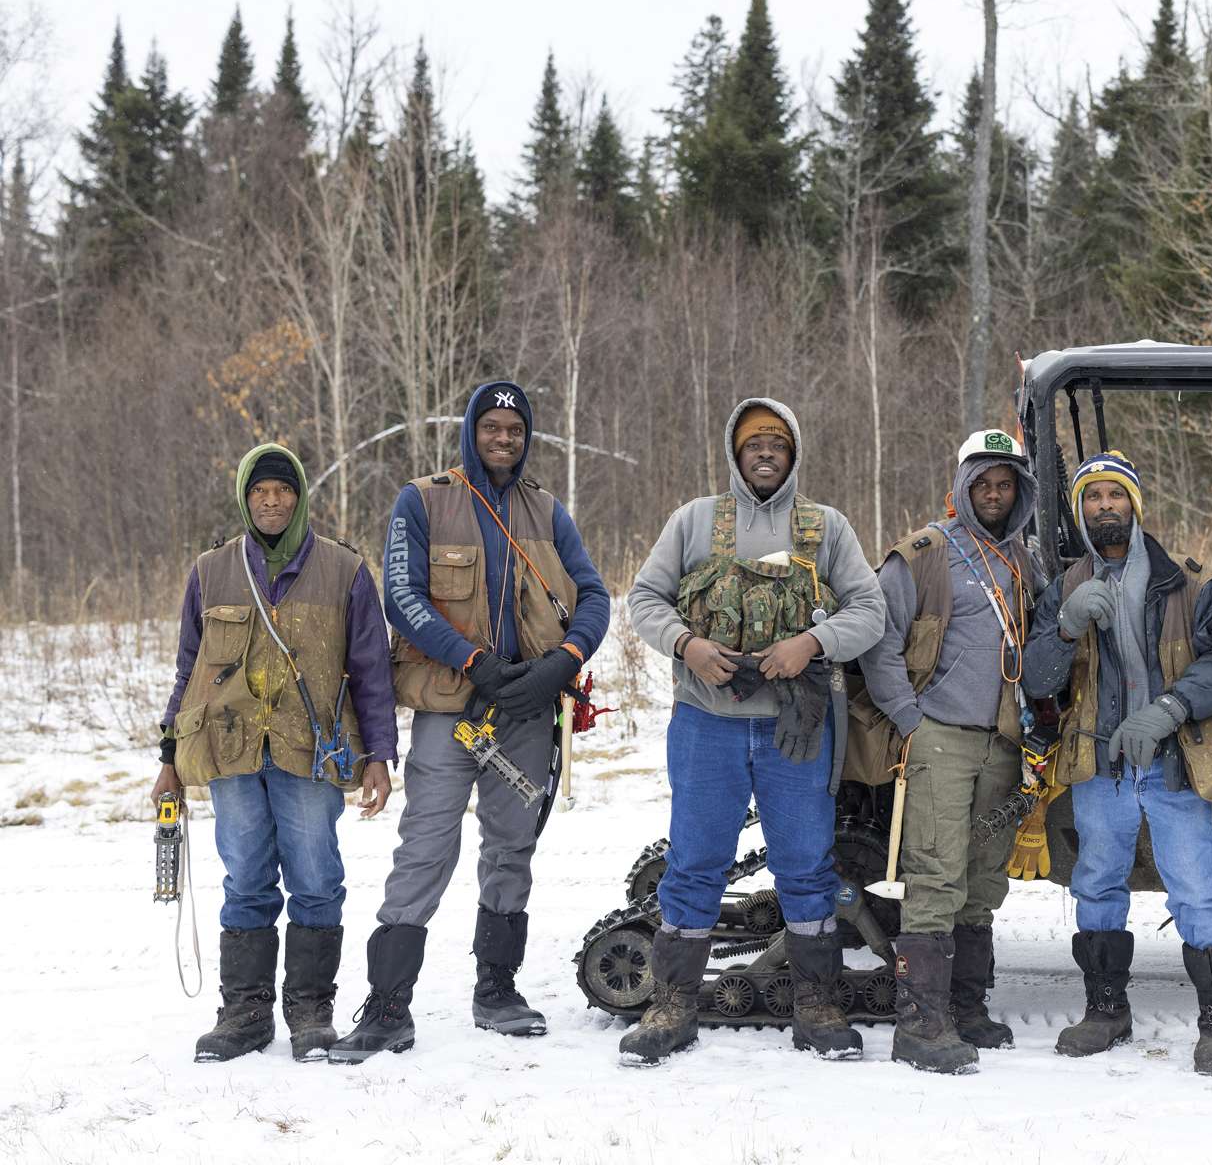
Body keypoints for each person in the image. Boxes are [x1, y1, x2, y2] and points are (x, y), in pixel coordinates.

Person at [329, 381, 611, 1063]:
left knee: (512, 848)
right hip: (449, 709)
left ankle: (498, 991)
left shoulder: (547, 509)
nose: (504, 438)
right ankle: (389, 1008)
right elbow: (401, 596)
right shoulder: (421, 500)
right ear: (471, 432)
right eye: (492, 427)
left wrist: (561, 663)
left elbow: (596, 594)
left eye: (515, 429)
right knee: (426, 847)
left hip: (526, 709)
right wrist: (473, 660)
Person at [622, 398, 886, 1066]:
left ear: (793, 454)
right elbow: (644, 598)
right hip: (705, 725)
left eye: (776, 442)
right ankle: (673, 1004)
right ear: (736, 454)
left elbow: (870, 611)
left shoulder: (825, 527)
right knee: (693, 863)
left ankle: (817, 1003)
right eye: (752, 443)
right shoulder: (695, 521)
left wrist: (813, 643)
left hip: (794, 726)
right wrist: (687, 645)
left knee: (806, 864)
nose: (764, 451)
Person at [155, 443, 397, 1063]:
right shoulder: (211, 570)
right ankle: (244, 1013)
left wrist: (378, 755)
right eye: (260, 490)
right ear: (244, 496)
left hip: (312, 751)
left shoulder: (344, 570)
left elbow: (371, 667)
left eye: (283, 490)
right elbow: (189, 668)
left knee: (316, 879)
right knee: (246, 880)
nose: (272, 500)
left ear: (300, 497)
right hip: (231, 752)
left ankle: (311, 1010)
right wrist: (168, 761)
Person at [1022, 450, 1212, 1075]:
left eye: (1115, 496)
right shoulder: (1065, 588)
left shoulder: (1189, 584)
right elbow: (1036, 681)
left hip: (1176, 763)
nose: (1105, 507)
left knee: (1197, 889)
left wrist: (1171, 707)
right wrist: (1065, 628)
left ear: (1135, 504)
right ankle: (1105, 1010)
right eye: (1093, 498)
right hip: (1099, 767)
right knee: (1096, 883)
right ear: (1080, 510)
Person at [859, 429, 1038, 1074]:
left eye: (1005, 484)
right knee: (935, 875)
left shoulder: (1024, 557)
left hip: (1005, 743)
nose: (994, 494)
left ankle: (967, 1008)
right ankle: (920, 1025)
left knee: (984, 879)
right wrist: (910, 720)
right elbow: (877, 642)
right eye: (982, 483)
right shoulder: (924, 555)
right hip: (939, 737)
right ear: (962, 487)